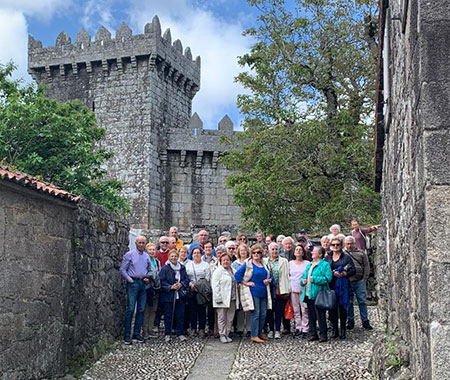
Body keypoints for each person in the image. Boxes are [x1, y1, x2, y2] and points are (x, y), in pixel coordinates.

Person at [235, 244, 273, 343]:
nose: (256, 254)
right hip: (253, 292)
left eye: (258, 252)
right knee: (255, 314)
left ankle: (259, 332)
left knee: (263, 314)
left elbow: (271, 276)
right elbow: (237, 275)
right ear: (251, 254)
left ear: (261, 254)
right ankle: (254, 335)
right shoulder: (248, 264)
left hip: (264, 292)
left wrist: (268, 280)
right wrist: (246, 283)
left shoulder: (265, 264)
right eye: (254, 252)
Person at [119, 235, 152, 345]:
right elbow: (123, 269)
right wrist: (129, 280)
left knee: (141, 309)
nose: (141, 245)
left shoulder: (147, 256)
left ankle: (136, 334)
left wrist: (148, 277)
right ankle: (127, 335)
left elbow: (149, 270)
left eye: (143, 243)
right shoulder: (129, 255)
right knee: (131, 309)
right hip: (133, 283)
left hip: (143, 283)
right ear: (136, 243)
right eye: (140, 243)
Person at [324, 238, 356, 339]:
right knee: (332, 309)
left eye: (337, 245)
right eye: (333, 245)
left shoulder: (346, 257)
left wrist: (345, 273)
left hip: (343, 287)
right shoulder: (327, 258)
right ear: (330, 246)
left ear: (341, 245)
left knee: (342, 309)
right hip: (331, 286)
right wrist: (333, 273)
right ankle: (334, 329)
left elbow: (353, 270)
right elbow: (324, 270)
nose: (335, 246)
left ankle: (343, 330)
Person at [301, 246, 332, 342]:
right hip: (308, 293)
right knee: (311, 315)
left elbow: (328, 278)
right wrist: (302, 281)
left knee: (320, 315)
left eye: (314, 251)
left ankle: (323, 334)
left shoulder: (325, 265)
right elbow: (303, 276)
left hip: (318, 294)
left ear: (320, 254)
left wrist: (315, 279)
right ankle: (313, 333)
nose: (312, 253)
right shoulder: (309, 265)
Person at [159, 249, 190, 342]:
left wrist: (181, 284)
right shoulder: (165, 268)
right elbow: (161, 281)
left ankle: (180, 333)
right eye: (172, 256)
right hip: (169, 295)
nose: (174, 258)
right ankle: (167, 333)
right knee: (168, 315)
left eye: (175, 256)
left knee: (180, 314)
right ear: (169, 257)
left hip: (180, 294)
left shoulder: (182, 267)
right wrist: (170, 287)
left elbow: (186, 279)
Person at [343, 236, 373, 330]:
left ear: (354, 243)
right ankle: (350, 321)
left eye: (351, 243)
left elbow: (366, 266)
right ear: (344, 244)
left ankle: (365, 321)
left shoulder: (361, 253)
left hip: (360, 281)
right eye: (347, 243)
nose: (349, 245)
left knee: (362, 301)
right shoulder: (343, 254)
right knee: (349, 302)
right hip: (348, 281)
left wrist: (364, 278)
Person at [212, 253, 239, 343]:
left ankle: (227, 333)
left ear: (230, 261)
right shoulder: (218, 271)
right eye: (224, 260)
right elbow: (215, 286)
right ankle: (222, 334)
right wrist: (218, 297)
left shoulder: (233, 270)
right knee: (221, 317)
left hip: (232, 297)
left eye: (227, 260)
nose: (226, 262)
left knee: (230, 317)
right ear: (220, 261)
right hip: (222, 298)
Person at [266, 242, 290, 339]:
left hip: (280, 288)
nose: (274, 251)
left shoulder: (284, 261)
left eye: (276, 249)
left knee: (279, 310)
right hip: (269, 289)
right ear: (269, 250)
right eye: (272, 249)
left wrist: (287, 289)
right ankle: (271, 329)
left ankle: (278, 330)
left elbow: (287, 276)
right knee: (270, 310)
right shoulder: (264, 261)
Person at [185, 247, 211, 337]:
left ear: (201, 254)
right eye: (194, 253)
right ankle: (193, 328)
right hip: (191, 289)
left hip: (201, 291)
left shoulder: (205, 265)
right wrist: (191, 285)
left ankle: (202, 329)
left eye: (198, 253)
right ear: (192, 255)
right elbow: (186, 277)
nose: (196, 254)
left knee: (202, 310)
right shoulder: (188, 264)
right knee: (192, 310)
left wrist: (198, 286)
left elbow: (207, 277)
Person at [289, 245, 310, 338]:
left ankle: (305, 328)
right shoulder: (290, 263)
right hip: (293, 289)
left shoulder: (307, 263)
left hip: (304, 289)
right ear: (294, 252)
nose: (298, 251)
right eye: (296, 250)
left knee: (304, 309)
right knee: (296, 309)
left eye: (300, 250)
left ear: (303, 252)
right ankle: (298, 327)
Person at [142, 242, 161, 338]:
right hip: (147, 287)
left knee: (153, 309)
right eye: (150, 249)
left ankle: (150, 328)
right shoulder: (144, 260)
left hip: (155, 287)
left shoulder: (157, 261)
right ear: (146, 250)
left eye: (154, 250)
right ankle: (144, 330)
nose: (152, 251)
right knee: (146, 309)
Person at [232, 244, 251, 335]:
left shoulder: (250, 262)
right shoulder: (235, 264)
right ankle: (239, 328)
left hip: (248, 287)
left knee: (248, 306)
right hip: (238, 287)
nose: (243, 252)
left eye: (244, 250)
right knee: (239, 307)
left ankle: (249, 327)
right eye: (241, 250)